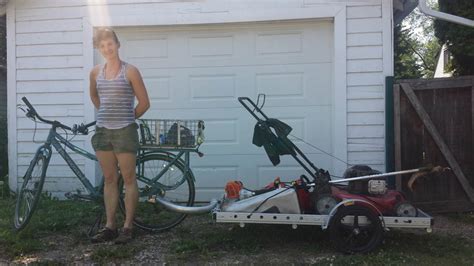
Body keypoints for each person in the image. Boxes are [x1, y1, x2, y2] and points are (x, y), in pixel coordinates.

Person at [89, 27, 150, 244]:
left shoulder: (130, 71)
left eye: (110, 44)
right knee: (109, 179)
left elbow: (144, 103)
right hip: (103, 131)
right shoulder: (95, 72)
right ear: (99, 48)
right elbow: (95, 96)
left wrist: (126, 117)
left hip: (125, 131)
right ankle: (110, 226)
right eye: (103, 46)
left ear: (117, 44)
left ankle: (127, 227)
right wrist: (107, 112)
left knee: (129, 178)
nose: (107, 49)